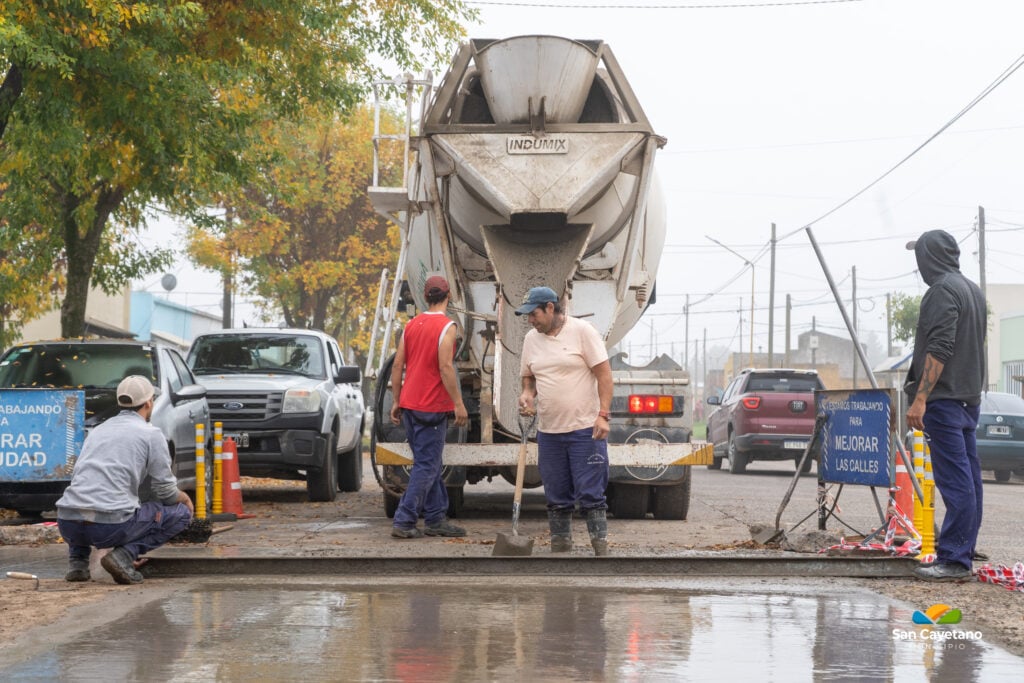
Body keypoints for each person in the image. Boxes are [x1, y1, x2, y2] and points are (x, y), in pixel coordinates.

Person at [905, 230, 987, 582]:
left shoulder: (941, 292)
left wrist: (921, 397)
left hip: (945, 400)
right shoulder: (972, 290)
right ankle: (962, 552)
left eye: (919, 255)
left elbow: (941, 345)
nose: (917, 264)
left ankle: (954, 560)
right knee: (970, 481)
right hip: (969, 400)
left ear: (930, 257)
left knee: (957, 483)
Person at [56, 375, 194, 584]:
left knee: (84, 496)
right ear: (149, 403)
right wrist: (184, 499)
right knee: (180, 513)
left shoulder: (97, 431)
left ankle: (78, 564)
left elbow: (81, 478)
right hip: (108, 527)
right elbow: (165, 492)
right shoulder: (151, 434)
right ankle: (124, 555)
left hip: (67, 522)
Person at [516, 286, 613, 556]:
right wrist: (527, 394)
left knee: (591, 493)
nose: (530, 321)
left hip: (585, 429)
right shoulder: (531, 340)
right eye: (527, 316)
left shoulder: (583, 332)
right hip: (549, 432)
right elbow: (529, 376)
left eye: (533, 314)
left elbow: (604, 376)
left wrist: (603, 415)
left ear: (550, 307)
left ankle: (601, 550)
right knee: (556, 495)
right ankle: (561, 551)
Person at [389, 275, 469, 539]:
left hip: (411, 405)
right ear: (448, 297)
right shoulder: (448, 327)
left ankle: (435, 519)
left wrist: (396, 400)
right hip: (431, 408)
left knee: (429, 463)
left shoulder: (411, 325)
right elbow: (446, 367)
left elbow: (398, 365)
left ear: (425, 297)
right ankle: (404, 519)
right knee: (427, 466)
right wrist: (458, 403)